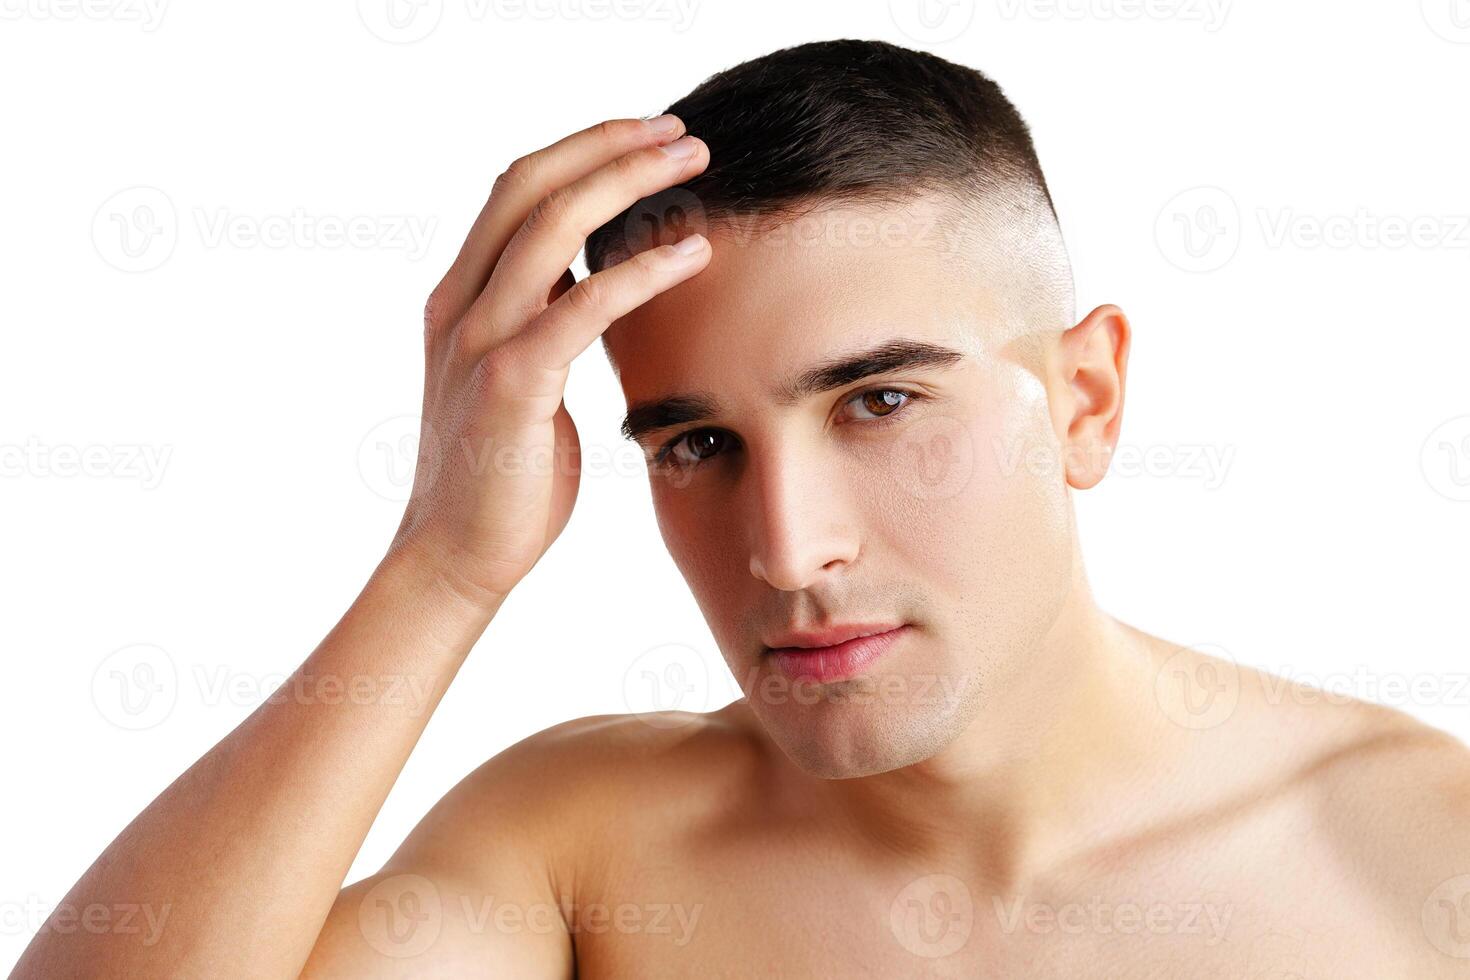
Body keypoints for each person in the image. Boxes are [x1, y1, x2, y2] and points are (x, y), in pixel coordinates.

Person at [15, 38, 1470, 979]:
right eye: (697, 444)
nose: (787, 550)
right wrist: (443, 568)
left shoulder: (1420, 855)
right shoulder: (584, 848)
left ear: (1083, 401)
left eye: (880, 403)